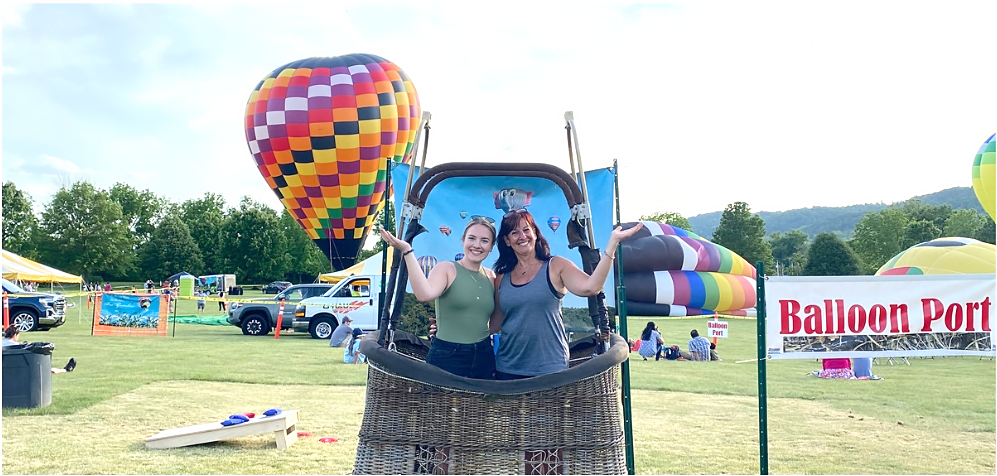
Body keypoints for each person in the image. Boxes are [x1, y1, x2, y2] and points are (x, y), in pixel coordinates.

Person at [488, 209, 643, 380]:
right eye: (514, 232)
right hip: (508, 368)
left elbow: (591, 287)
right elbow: (495, 324)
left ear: (535, 234)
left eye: (526, 230)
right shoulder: (501, 278)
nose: (522, 236)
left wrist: (612, 244)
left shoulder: (556, 266)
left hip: (550, 368)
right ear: (507, 241)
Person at [379, 217, 498, 379]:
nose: (477, 245)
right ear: (463, 240)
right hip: (449, 355)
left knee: (481, 405)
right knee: (442, 404)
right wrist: (407, 251)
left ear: (491, 247)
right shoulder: (447, 269)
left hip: (484, 355)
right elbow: (424, 294)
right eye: (472, 238)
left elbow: (493, 319)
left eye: (485, 241)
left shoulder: (491, 277)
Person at [2, 326, 76, 373]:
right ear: (15, 335)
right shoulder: (18, 347)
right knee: (46, 370)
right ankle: (66, 370)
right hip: (20, 369)